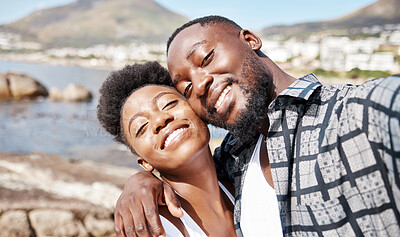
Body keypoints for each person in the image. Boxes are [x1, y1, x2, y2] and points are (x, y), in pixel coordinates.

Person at [115, 15, 400, 236]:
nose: (200, 84)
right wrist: (142, 182)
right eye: (186, 87)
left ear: (250, 40)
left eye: (206, 58)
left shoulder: (358, 111)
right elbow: (190, 172)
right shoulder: (237, 155)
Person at [97, 61, 238, 236]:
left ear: (198, 111)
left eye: (168, 104)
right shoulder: (155, 227)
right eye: (141, 127)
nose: (159, 121)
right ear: (145, 163)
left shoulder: (240, 185)